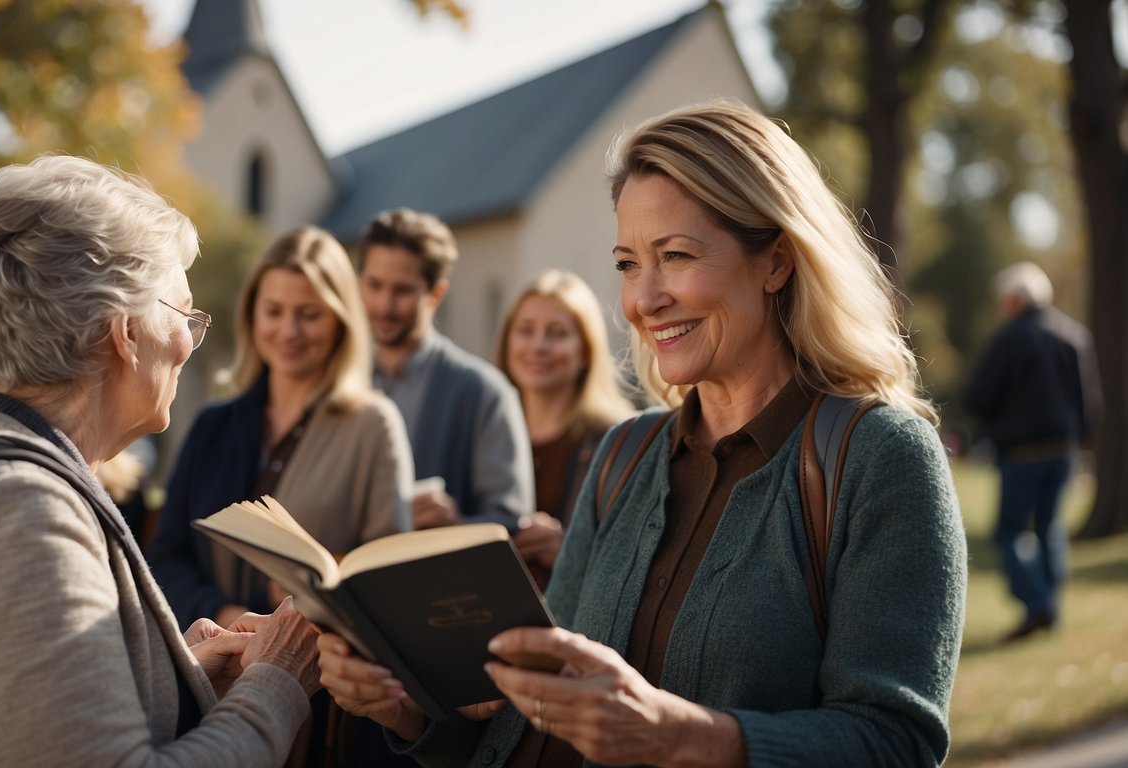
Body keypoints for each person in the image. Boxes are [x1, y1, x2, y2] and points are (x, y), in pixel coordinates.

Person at [318, 100, 968, 766]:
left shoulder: (880, 458)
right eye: (629, 264)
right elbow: (535, 720)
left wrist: (678, 735)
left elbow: (897, 743)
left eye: (676, 256)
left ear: (776, 261)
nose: (644, 299)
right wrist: (405, 709)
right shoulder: (625, 455)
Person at [0, 156, 320, 765]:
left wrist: (173, 679)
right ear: (126, 333)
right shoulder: (18, 516)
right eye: (183, 314)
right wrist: (276, 683)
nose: (187, 342)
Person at [148, 226, 415, 768]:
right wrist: (229, 618)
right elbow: (167, 553)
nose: (288, 330)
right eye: (274, 310)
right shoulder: (212, 424)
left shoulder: (373, 425)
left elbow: (392, 574)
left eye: (309, 314)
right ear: (252, 316)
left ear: (340, 321)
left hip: (325, 707)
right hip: (213, 675)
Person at [356, 208, 533, 531]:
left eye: (402, 291)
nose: (385, 305)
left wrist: (455, 523)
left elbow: (511, 520)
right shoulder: (344, 381)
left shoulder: (484, 392)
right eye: (375, 285)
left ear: (436, 294)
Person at [962, 261, 1100, 643]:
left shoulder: (1011, 338)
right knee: (1050, 528)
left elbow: (978, 396)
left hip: (1022, 452)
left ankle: (1040, 604)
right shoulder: (1074, 335)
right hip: (1064, 448)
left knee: (1009, 532)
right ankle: (1048, 607)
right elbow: (1089, 400)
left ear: (1014, 299)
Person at [495, 269, 636, 587]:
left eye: (557, 333)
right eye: (525, 330)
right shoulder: (483, 433)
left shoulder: (619, 441)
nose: (538, 346)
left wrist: (568, 551)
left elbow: (634, 562)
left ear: (585, 350)